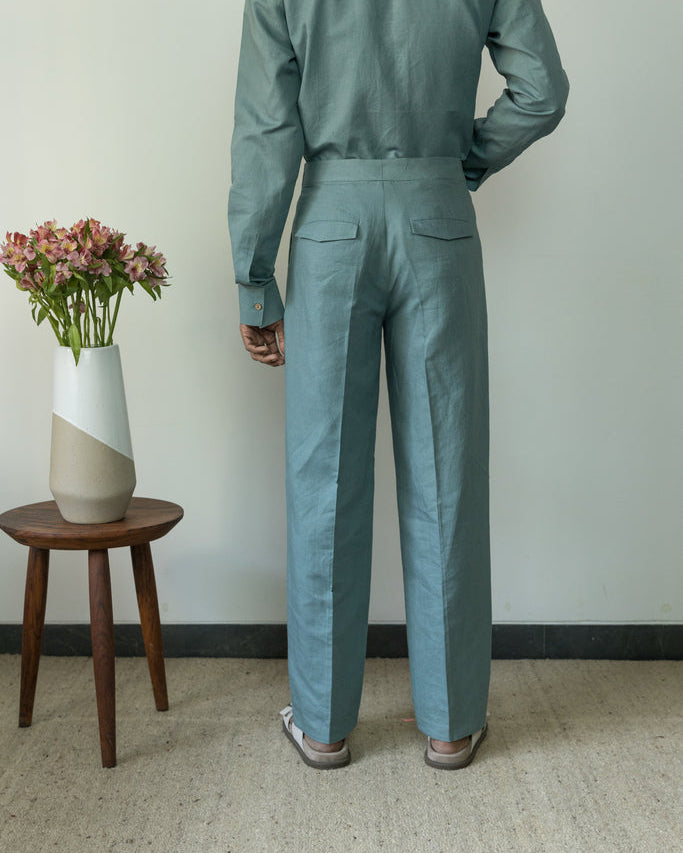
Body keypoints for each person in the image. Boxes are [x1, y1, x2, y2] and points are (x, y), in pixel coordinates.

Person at [228, 0, 569, 769]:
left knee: (324, 478)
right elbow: (542, 91)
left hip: (330, 228)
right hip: (436, 218)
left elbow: (266, 129)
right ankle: (450, 724)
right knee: (446, 472)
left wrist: (254, 278)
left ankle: (322, 725)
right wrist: (459, 163)